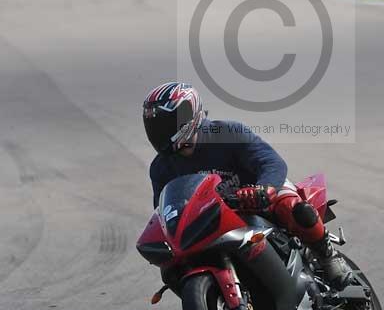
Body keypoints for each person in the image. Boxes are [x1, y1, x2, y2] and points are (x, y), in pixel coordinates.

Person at [143, 81, 352, 289]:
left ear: (189, 114)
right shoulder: (160, 168)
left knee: (294, 208)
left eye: (167, 124)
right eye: (155, 126)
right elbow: (165, 212)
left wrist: (264, 189)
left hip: (259, 199)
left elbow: (272, 163)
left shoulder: (227, 133)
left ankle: (327, 255)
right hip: (213, 221)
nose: (160, 132)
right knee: (172, 267)